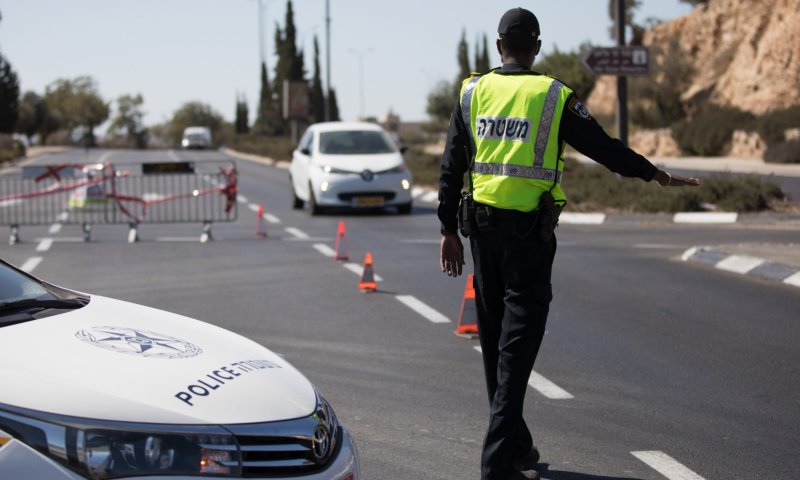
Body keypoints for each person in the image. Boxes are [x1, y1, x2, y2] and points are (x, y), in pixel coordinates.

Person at [437, 7, 700, 480]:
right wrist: (653, 173)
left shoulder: (473, 91)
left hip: (481, 235)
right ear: (536, 48)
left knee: (498, 343)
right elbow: (603, 147)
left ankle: (516, 445)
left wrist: (446, 231)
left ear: (499, 47)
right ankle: (496, 464)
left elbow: (451, 164)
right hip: (528, 241)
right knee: (518, 345)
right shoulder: (554, 95)